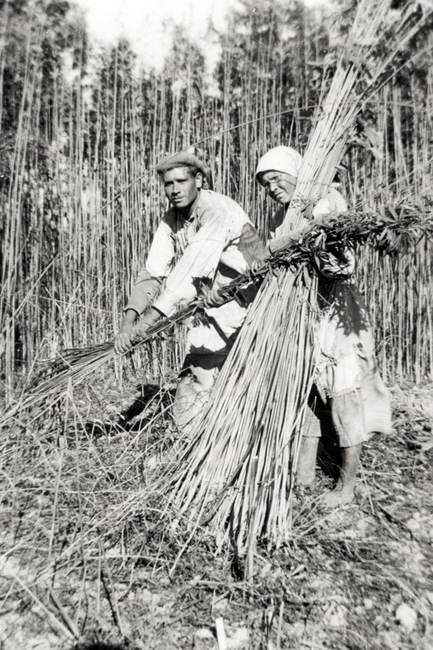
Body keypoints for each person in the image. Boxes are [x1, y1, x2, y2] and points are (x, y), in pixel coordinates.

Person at [255, 145, 392, 507]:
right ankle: (303, 478)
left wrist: (295, 247)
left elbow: (341, 265)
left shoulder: (327, 202)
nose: (271, 187)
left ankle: (346, 487)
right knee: (308, 393)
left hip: (336, 311)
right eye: (265, 184)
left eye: (275, 179)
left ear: (296, 173)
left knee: (342, 393)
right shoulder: (282, 218)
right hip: (305, 313)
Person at [115, 151, 265, 436]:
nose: (174, 190)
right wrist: (128, 322)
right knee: (195, 379)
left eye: (181, 181)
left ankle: (221, 448)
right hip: (214, 303)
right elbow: (153, 271)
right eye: (168, 184)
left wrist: (147, 323)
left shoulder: (217, 211)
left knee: (224, 380)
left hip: (249, 301)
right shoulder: (173, 217)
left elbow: (187, 273)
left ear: (199, 179)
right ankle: (192, 445)